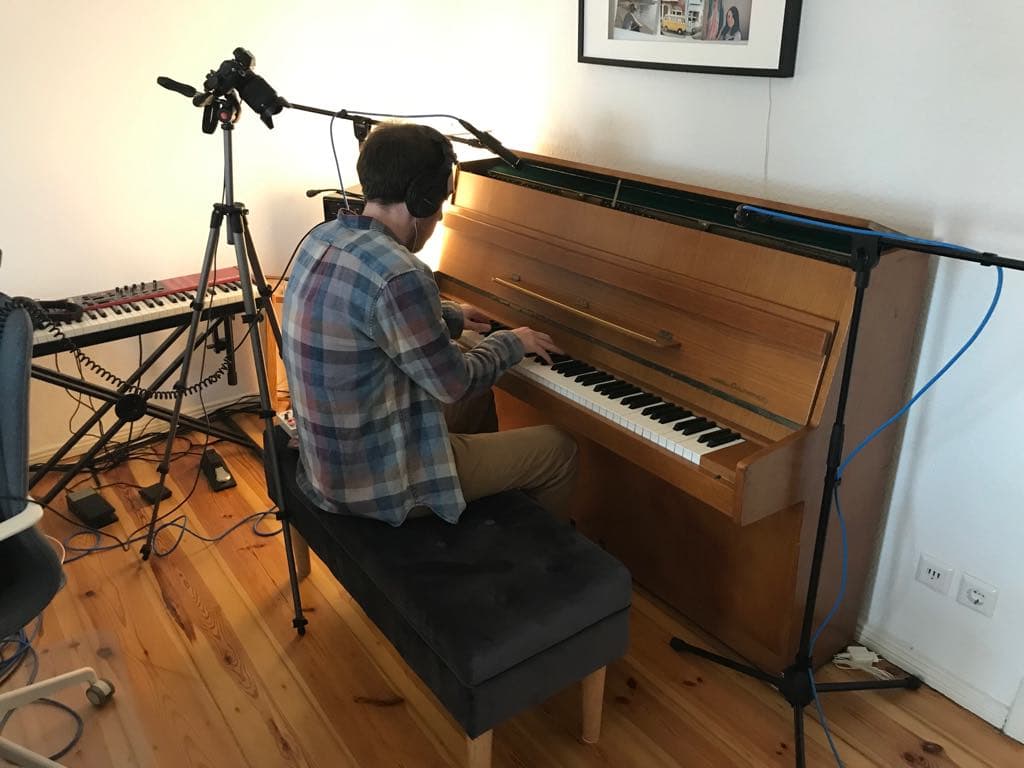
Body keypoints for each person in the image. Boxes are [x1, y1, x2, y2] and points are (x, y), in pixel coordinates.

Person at [281, 122, 578, 527]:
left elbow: (374, 319)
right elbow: (455, 383)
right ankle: (551, 577)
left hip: (328, 459)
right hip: (377, 483)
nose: (439, 215)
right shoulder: (401, 272)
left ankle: (487, 526)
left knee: (477, 389)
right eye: (440, 204)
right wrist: (512, 341)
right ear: (420, 201)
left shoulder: (322, 238)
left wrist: (452, 317)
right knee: (558, 449)